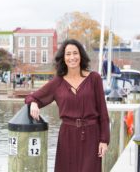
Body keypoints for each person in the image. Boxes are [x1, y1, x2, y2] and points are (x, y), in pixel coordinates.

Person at [25, 39, 110, 172]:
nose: (72, 57)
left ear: (81, 55)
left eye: (75, 53)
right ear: (63, 58)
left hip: (91, 135)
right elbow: (32, 96)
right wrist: (33, 103)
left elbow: (103, 112)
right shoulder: (58, 82)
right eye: (68, 54)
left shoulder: (94, 79)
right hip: (67, 136)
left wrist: (104, 140)